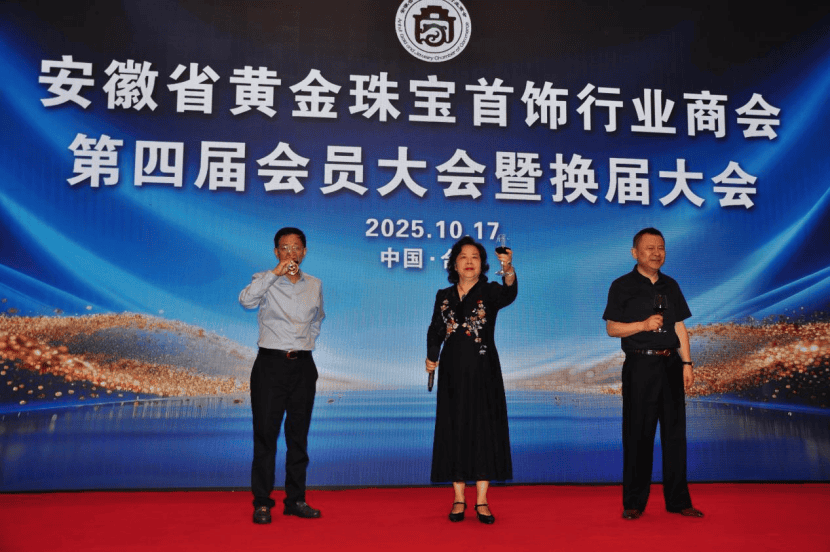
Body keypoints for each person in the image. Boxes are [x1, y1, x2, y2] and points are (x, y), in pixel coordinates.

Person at [602, 227, 703, 520]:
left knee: (675, 435)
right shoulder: (621, 285)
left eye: (661, 248)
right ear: (635, 253)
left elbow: (679, 326)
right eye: (650, 248)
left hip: (671, 365)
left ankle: (678, 501)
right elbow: (611, 328)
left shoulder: (671, 285)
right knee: (638, 434)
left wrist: (687, 363)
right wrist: (642, 325)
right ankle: (634, 502)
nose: (656, 253)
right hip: (640, 366)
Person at [425, 236, 517, 524]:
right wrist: (431, 356)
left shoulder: (490, 292)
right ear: (454, 264)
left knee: (483, 432)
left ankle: (482, 500)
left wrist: (508, 268)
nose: (468, 261)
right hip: (452, 374)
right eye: (463, 257)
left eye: (475, 257)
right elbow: (435, 329)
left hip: (484, 371)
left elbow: (509, 292)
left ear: (482, 264)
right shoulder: (444, 295)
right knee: (454, 429)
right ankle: (458, 498)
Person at [239, 227, 325, 524]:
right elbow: (246, 301)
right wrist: (274, 273)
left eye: (296, 247)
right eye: (285, 248)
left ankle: (296, 500)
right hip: (270, 365)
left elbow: (317, 320)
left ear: (305, 252)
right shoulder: (264, 280)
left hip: (303, 366)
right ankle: (262, 503)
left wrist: (305, 344)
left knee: (298, 437)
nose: (291, 253)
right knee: (266, 436)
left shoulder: (315, 284)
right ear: (276, 252)